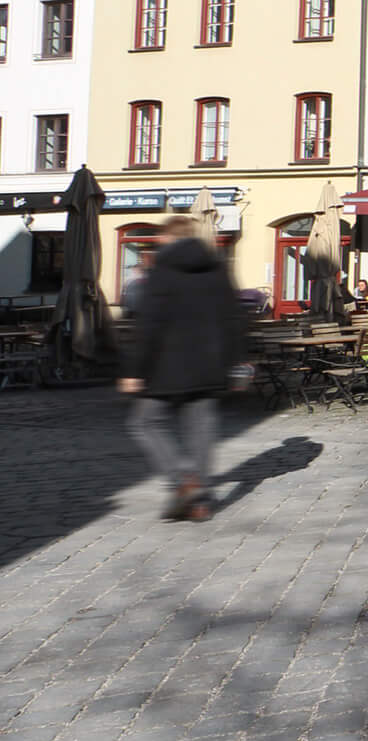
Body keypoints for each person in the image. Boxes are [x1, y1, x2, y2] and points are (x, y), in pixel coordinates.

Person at [118, 216, 249, 522]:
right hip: (209, 366)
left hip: (166, 366)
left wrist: (134, 370)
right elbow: (234, 318)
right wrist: (236, 360)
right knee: (201, 430)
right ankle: (199, 500)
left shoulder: (162, 270)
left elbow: (148, 324)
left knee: (145, 422)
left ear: (169, 238)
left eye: (160, 239)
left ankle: (184, 481)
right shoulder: (217, 268)